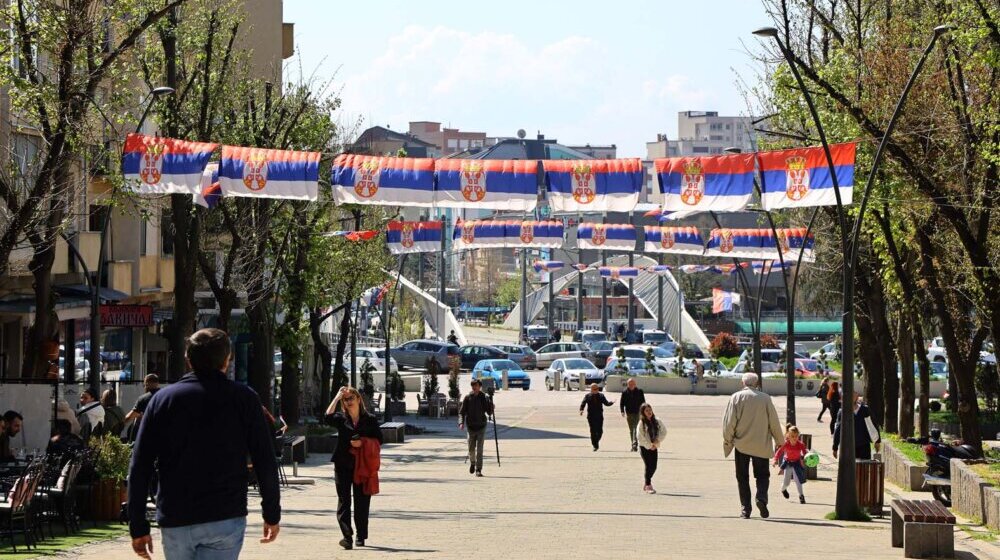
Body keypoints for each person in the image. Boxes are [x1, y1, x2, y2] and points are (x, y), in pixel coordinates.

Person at [127, 328, 281, 560]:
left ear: (188, 360)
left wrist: (138, 525)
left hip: (176, 515)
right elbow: (265, 459)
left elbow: (140, 465)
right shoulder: (244, 399)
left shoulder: (163, 400)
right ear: (227, 360)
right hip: (225, 515)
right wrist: (271, 512)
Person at [325, 385, 384, 550]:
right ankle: (347, 536)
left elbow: (379, 440)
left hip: (362, 466)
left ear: (358, 399)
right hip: (342, 464)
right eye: (346, 399)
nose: (348, 401)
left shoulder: (370, 419)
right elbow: (326, 417)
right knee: (344, 501)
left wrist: (363, 442)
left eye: (351, 398)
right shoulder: (341, 418)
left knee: (362, 502)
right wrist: (336, 397)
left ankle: (361, 535)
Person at [723, 372, 784, 519]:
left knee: (742, 477)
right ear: (757, 383)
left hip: (741, 444)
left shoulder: (736, 397)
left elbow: (729, 422)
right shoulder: (765, 399)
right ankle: (761, 498)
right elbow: (774, 422)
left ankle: (746, 509)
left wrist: (727, 440)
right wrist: (780, 442)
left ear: (743, 383)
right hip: (761, 445)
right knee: (762, 475)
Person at [459, 378, 494, 477]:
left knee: (479, 449)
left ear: (480, 387)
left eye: (476, 386)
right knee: (471, 448)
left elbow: (489, 412)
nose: (474, 388)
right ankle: (473, 463)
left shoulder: (484, 397)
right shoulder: (467, 398)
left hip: (481, 426)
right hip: (470, 427)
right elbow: (461, 412)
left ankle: (478, 469)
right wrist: (461, 423)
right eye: (473, 386)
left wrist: (491, 405)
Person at [833, 391, 881, 460]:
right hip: (848, 446)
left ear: (857, 397)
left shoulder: (865, 410)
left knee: (864, 468)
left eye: (853, 395)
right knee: (849, 469)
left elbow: (873, 425)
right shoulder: (842, 412)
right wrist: (835, 447)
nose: (851, 398)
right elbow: (838, 430)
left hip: (864, 445)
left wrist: (877, 441)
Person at [773, 424, 808, 504]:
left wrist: (807, 458)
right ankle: (783, 489)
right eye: (792, 436)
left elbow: (805, 453)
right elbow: (779, 452)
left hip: (797, 463)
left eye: (796, 436)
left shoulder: (800, 444)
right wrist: (775, 460)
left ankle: (801, 496)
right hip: (788, 463)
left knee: (798, 480)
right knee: (786, 482)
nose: (795, 438)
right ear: (788, 436)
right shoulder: (786, 444)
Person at [636, 403, 666, 494]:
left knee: (654, 467)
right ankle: (648, 485)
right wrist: (649, 445)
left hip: (654, 446)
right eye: (646, 411)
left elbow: (664, 431)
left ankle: (646, 483)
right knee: (648, 466)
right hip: (644, 447)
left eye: (650, 410)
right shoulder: (641, 423)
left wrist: (657, 441)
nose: (649, 412)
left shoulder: (657, 420)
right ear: (643, 412)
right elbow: (639, 436)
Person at [125, 374, 160, 442]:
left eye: (144, 385)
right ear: (157, 383)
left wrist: (121, 423)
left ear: (146, 384)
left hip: (147, 435)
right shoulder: (165, 396)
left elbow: (130, 417)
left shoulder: (143, 399)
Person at [579, 383, 614, 451]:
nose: (596, 390)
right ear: (591, 389)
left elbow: (606, 403)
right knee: (593, 431)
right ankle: (595, 445)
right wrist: (581, 410)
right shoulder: (587, 396)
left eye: (597, 389)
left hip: (599, 416)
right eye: (594, 389)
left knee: (600, 431)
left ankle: (596, 441)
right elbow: (583, 403)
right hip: (591, 416)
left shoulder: (601, 395)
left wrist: (611, 402)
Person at [620, 378, 646, 452]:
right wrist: (622, 411)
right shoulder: (624, 392)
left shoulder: (640, 392)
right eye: (629, 384)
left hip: (638, 413)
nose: (631, 385)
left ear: (635, 384)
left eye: (632, 384)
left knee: (636, 428)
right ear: (628, 384)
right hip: (629, 413)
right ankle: (633, 443)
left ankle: (634, 444)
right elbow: (622, 403)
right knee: (631, 429)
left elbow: (643, 402)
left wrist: (643, 412)